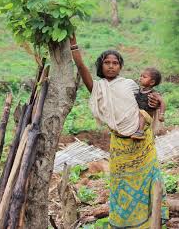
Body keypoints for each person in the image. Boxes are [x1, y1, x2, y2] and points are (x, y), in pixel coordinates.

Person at [69, 34, 169, 228]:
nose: (111, 66)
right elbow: (82, 69)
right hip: (120, 146)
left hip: (142, 144)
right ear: (101, 65)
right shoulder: (98, 87)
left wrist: (155, 104)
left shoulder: (130, 85)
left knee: (149, 181)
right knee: (121, 185)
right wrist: (74, 47)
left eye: (115, 63)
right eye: (107, 62)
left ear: (120, 66)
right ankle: (124, 224)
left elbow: (145, 106)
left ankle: (151, 223)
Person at [131, 67, 165, 139]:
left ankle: (140, 132)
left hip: (147, 114)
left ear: (152, 82)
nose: (140, 78)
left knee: (142, 114)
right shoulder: (140, 90)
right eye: (141, 76)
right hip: (139, 113)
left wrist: (161, 114)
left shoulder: (154, 93)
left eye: (144, 77)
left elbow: (162, 102)